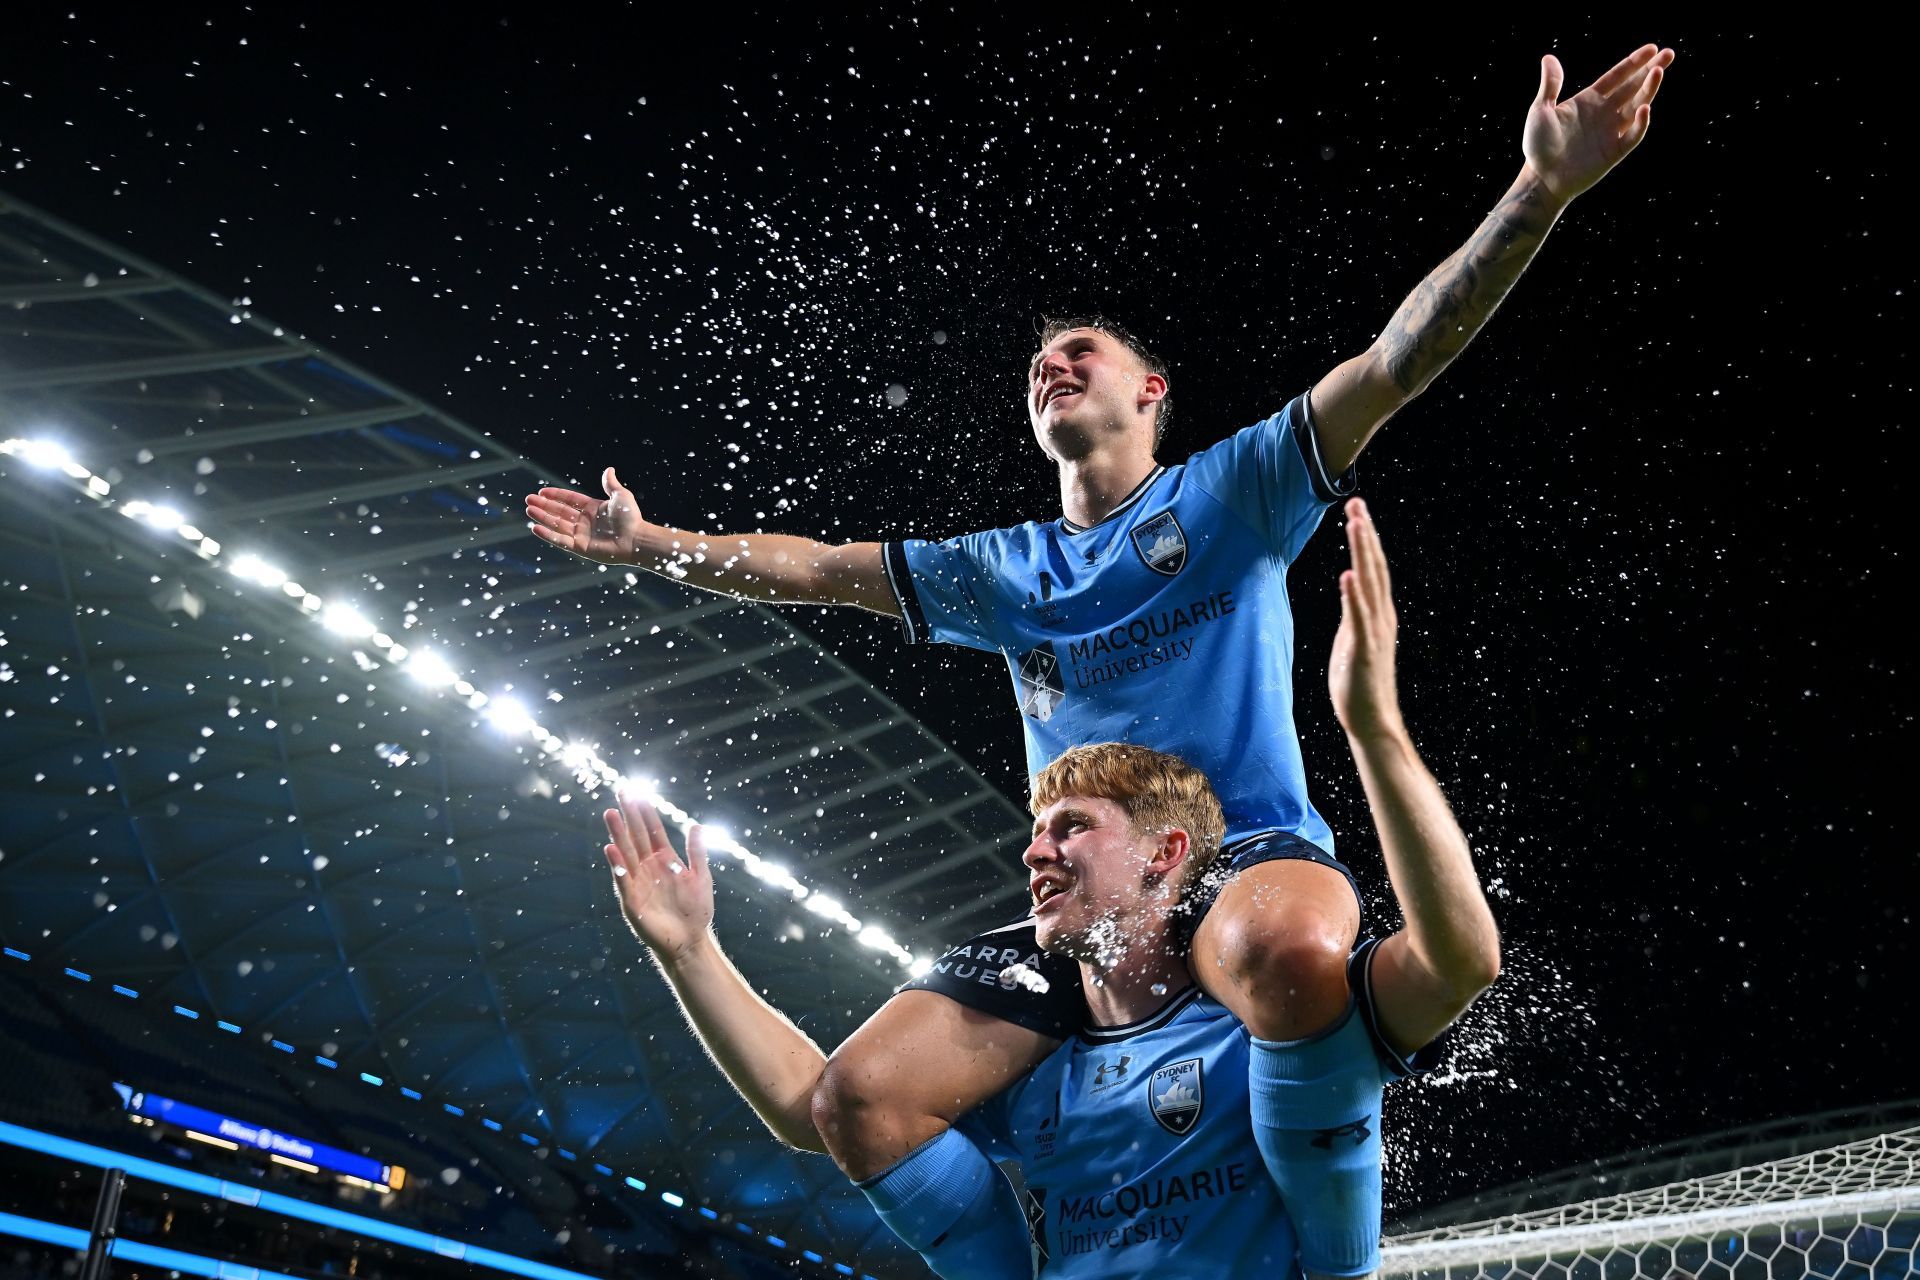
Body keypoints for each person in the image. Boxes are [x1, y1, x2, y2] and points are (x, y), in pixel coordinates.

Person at [536, 41, 1665, 1276]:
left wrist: (1537, 194)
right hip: (1090, 906)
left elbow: (1399, 362)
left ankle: (1327, 1223)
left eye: (1083, 353)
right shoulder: (998, 569)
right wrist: (655, 546)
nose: (1053, 365)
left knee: (1291, 965)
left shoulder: (1232, 494)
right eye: (1037, 366)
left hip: (1241, 858)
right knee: (857, 1100)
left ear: (1152, 392)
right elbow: (811, 566)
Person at [602, 499, 1502, 1277]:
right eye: (1036, 831)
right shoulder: (1035, 1073)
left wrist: (1375, 734)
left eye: (1073, 827)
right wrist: (688, 950)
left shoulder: (1270, 1036)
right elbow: (820, 1107)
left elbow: (1460, 958)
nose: (1034, 854)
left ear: (1164, 855)